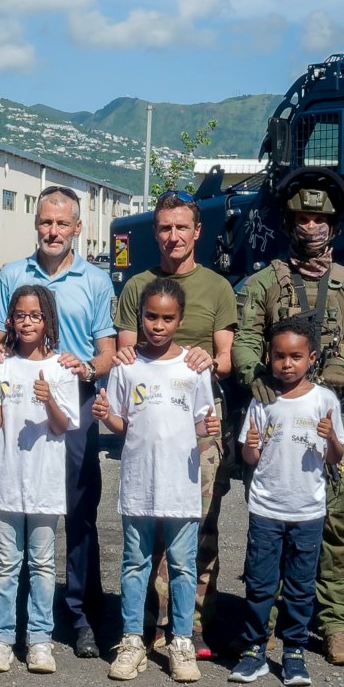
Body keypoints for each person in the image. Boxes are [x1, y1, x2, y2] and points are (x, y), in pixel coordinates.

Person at [231, 168, 344, 666]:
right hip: (278, 427)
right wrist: (253, 373)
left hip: (333, 424)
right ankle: (269, 625)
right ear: (289, 222)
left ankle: (335, 625)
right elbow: (245, 338)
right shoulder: (263, 282)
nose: (311, 226)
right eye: (302, 217)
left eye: (320, 219)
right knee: (272, 533)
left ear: (333, 225)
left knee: (334, 532)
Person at [0, 186, 118, 658]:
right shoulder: (13, 274)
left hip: (71, 399)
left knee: (77, 509)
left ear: (78, 227)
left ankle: (79, 615)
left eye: (61, 223)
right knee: (21, 502)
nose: (52, 231)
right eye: (45, 222)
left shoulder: (95, 280)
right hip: (19, 396)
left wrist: (87, 368)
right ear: (36, 224)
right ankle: (12, 622)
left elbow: (107, 352)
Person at [111, 192, 232, 655]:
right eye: (165, 227)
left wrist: (208, 359)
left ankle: (192, 622)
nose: (173, 236)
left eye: (182, 227)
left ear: (197, 231)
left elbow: (226, 358)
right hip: (149, 413)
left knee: (198, 522)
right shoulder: (137, 286)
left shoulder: (217, 287)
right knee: (149, 522)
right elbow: (127, 352)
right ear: (155, 231)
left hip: (198, 415)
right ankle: (146, 622)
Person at [97, 278, 219, 684]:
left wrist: (208, 427)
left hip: (181, 486)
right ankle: (133, 640)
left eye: (168, 318)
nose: (159, 325)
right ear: (140, 317)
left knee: (183, 565)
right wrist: (105, 415)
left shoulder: (193, 367)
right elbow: (121, 424)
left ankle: (180, 641)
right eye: (151, 316)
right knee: (135, 563)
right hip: (139, 484)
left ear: (180, 320)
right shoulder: (126, 366)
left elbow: (200, 422)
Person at [225, 318, 344, 687]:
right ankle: (254, 649)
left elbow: (336, 457)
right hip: (266, 508)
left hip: (307, 511)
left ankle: (294, 651)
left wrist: (330, 438)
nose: (287, 364)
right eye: (279, 356)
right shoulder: (263, 401)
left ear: (312, 358)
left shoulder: (324, 400)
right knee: (260, 584)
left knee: (299, 587)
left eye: (296, 356)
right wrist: (251, 445)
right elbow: (251, 457)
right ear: (269, 357)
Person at [0, 285, 81, 675]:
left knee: (42, 563)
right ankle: (1, 638)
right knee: (6, 564)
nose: (27, 322)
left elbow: (62, 426)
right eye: (20, 315)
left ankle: (39, 639)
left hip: (43, 482)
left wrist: (48, 397)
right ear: (10, 320)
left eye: (36, 315)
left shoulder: (61, 369)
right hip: (5, 480)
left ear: (48, 320)